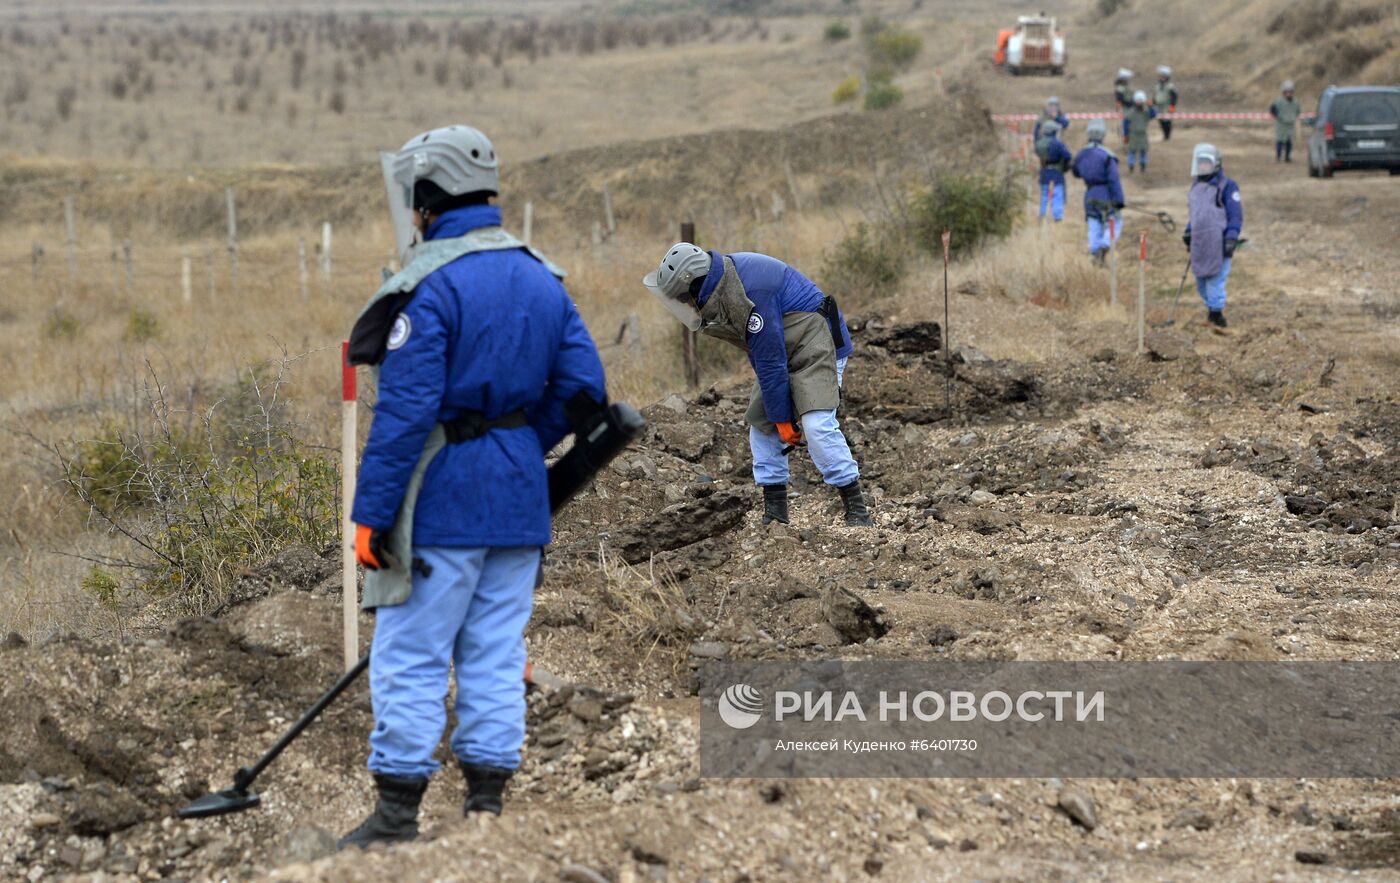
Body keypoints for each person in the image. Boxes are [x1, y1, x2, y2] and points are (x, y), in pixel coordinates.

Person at [340, 125, 607, 849]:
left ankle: (395, 815)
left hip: (441, 505)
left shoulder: (432, 281)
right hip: (521, 502)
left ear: (428, 195)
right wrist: (518, 441)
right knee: (494, 649)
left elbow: (404, 414)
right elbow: (586, 389)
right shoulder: (540, 275)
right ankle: (486, 811)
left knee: (413, 651)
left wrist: (370, 516)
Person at [641, 245, 873, 528]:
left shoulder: (751, 292)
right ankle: (775, 514)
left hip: (817, 343)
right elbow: (765, 355)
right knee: (760, 426)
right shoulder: (724, 285)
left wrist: (784, 419)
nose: (685, 305)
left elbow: (771, 360)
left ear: (694, 284)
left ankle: (857, 509)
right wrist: (777, 417)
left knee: (816, 426)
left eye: (682, 297)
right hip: (780, 351)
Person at [1182, 143, 1242, 328]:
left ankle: (1216, 316)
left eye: (1206, 163)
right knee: (1201, 281)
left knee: (1216, 279)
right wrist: (1189, 231)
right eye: (1200, 163)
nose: (1202, 167)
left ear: (1215, 164)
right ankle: (1212, 311)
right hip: (1200, 243)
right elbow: (1197, 214)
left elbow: (1235, 214)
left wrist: (1231, 237)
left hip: (1219, 242)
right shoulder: (1196, 187)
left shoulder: (1227, 186)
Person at [1071, 118, 1124, 266]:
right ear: (1103, 135)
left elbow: (1075, 172)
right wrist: (1119, 200)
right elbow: (1114, 179)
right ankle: (1105, 245)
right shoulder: (1107, 156)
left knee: (1093, 222)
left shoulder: (1081, 154)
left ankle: (1095, 253)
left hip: (1090, 194)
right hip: (1106, 193)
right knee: (1115, 221)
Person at [1036, 119, 1072, 222]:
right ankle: (1057, 217)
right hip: (1056, 172)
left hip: (1044, 171)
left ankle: (1043, 214)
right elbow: (1068, 156)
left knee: (1044, 194)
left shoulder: (1039, 143)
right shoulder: (1057, 143)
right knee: (1057, 195)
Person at [1122, 90, 1157, 173]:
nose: (1140, 103)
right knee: (1132, 151)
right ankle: (1131, 167)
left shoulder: (1146, 111)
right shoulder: (1131, 112)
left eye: (1141, 101)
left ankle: (1143, 167)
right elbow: (1125, 123)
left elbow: (1153, 115)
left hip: (1142, 134)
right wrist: (1126, 135)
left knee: (1143, 151)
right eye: (1138, 101)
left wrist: (1151, 107)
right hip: (1133, 134)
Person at [1269, 80, 1302, 163]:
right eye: (1287, 92)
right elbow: (1272, 110)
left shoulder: (1295, 102)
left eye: (1290, 92)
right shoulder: (1279, 101)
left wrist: (1294, 117)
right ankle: (1278, 157)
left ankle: (1287, 157)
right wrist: (1278, 116)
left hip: (1290, 124)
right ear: (1284, 92)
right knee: (1280, 141)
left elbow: (1298, 111)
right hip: (1281, 125)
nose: (1289, 94)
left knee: (1289, 142)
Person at [1154, 65, 1178, 141]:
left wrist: (1172, 105)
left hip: (1166, 107)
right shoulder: (1157, 86)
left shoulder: (1170, 86)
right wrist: (1153, 102)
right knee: (1161, 121)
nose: (1161, 78)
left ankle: (1167, 136)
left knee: (1167, 121)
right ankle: (1164, 135)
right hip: (1159, 107)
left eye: (1163, 76)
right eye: (1161, 76)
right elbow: (1155, 95)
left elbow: (1174, 96)